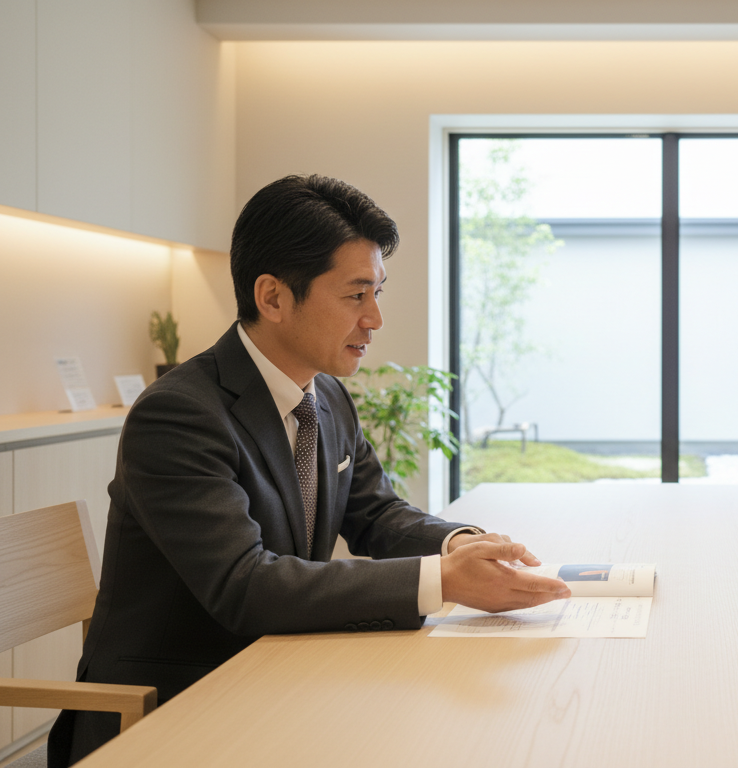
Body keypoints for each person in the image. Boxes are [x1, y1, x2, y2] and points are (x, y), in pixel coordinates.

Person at [48, 175, 571, 766]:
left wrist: (464, 544)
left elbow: (376, 512)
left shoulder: (324, 396)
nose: (374, 319)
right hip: (174, 708)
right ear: (272, 297)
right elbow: (245, 584)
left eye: (377, 293)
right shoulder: (178, 414)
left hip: (279, 675)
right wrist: (443, 579)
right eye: (355, 296)